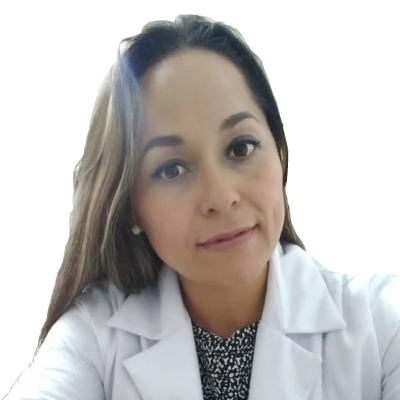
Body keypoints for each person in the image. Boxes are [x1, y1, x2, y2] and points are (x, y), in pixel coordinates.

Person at [4, 14, 400, 400]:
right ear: (129, 207)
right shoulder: (91, 336)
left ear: (280, 152)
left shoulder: (384, 324)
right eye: (171, 169)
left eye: (241, 147)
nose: (221, 197)